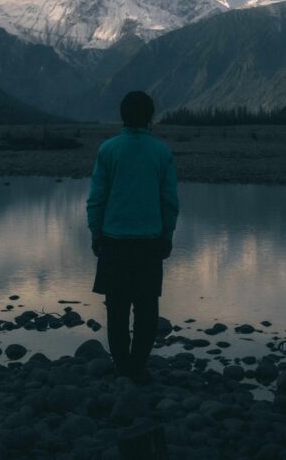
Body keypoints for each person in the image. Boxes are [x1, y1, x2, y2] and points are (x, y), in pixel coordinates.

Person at [86, 90, 179, 383]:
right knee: (147, 309)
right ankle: (138, 366)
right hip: (149, 243)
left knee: (116, 309)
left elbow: (96, 199)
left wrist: (95, 232)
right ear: (150, 117)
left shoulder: (108, 150)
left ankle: (122, 366)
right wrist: (167, 235)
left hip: (113, 241)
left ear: (123, 115)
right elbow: (169, 201)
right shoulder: (162, 152)